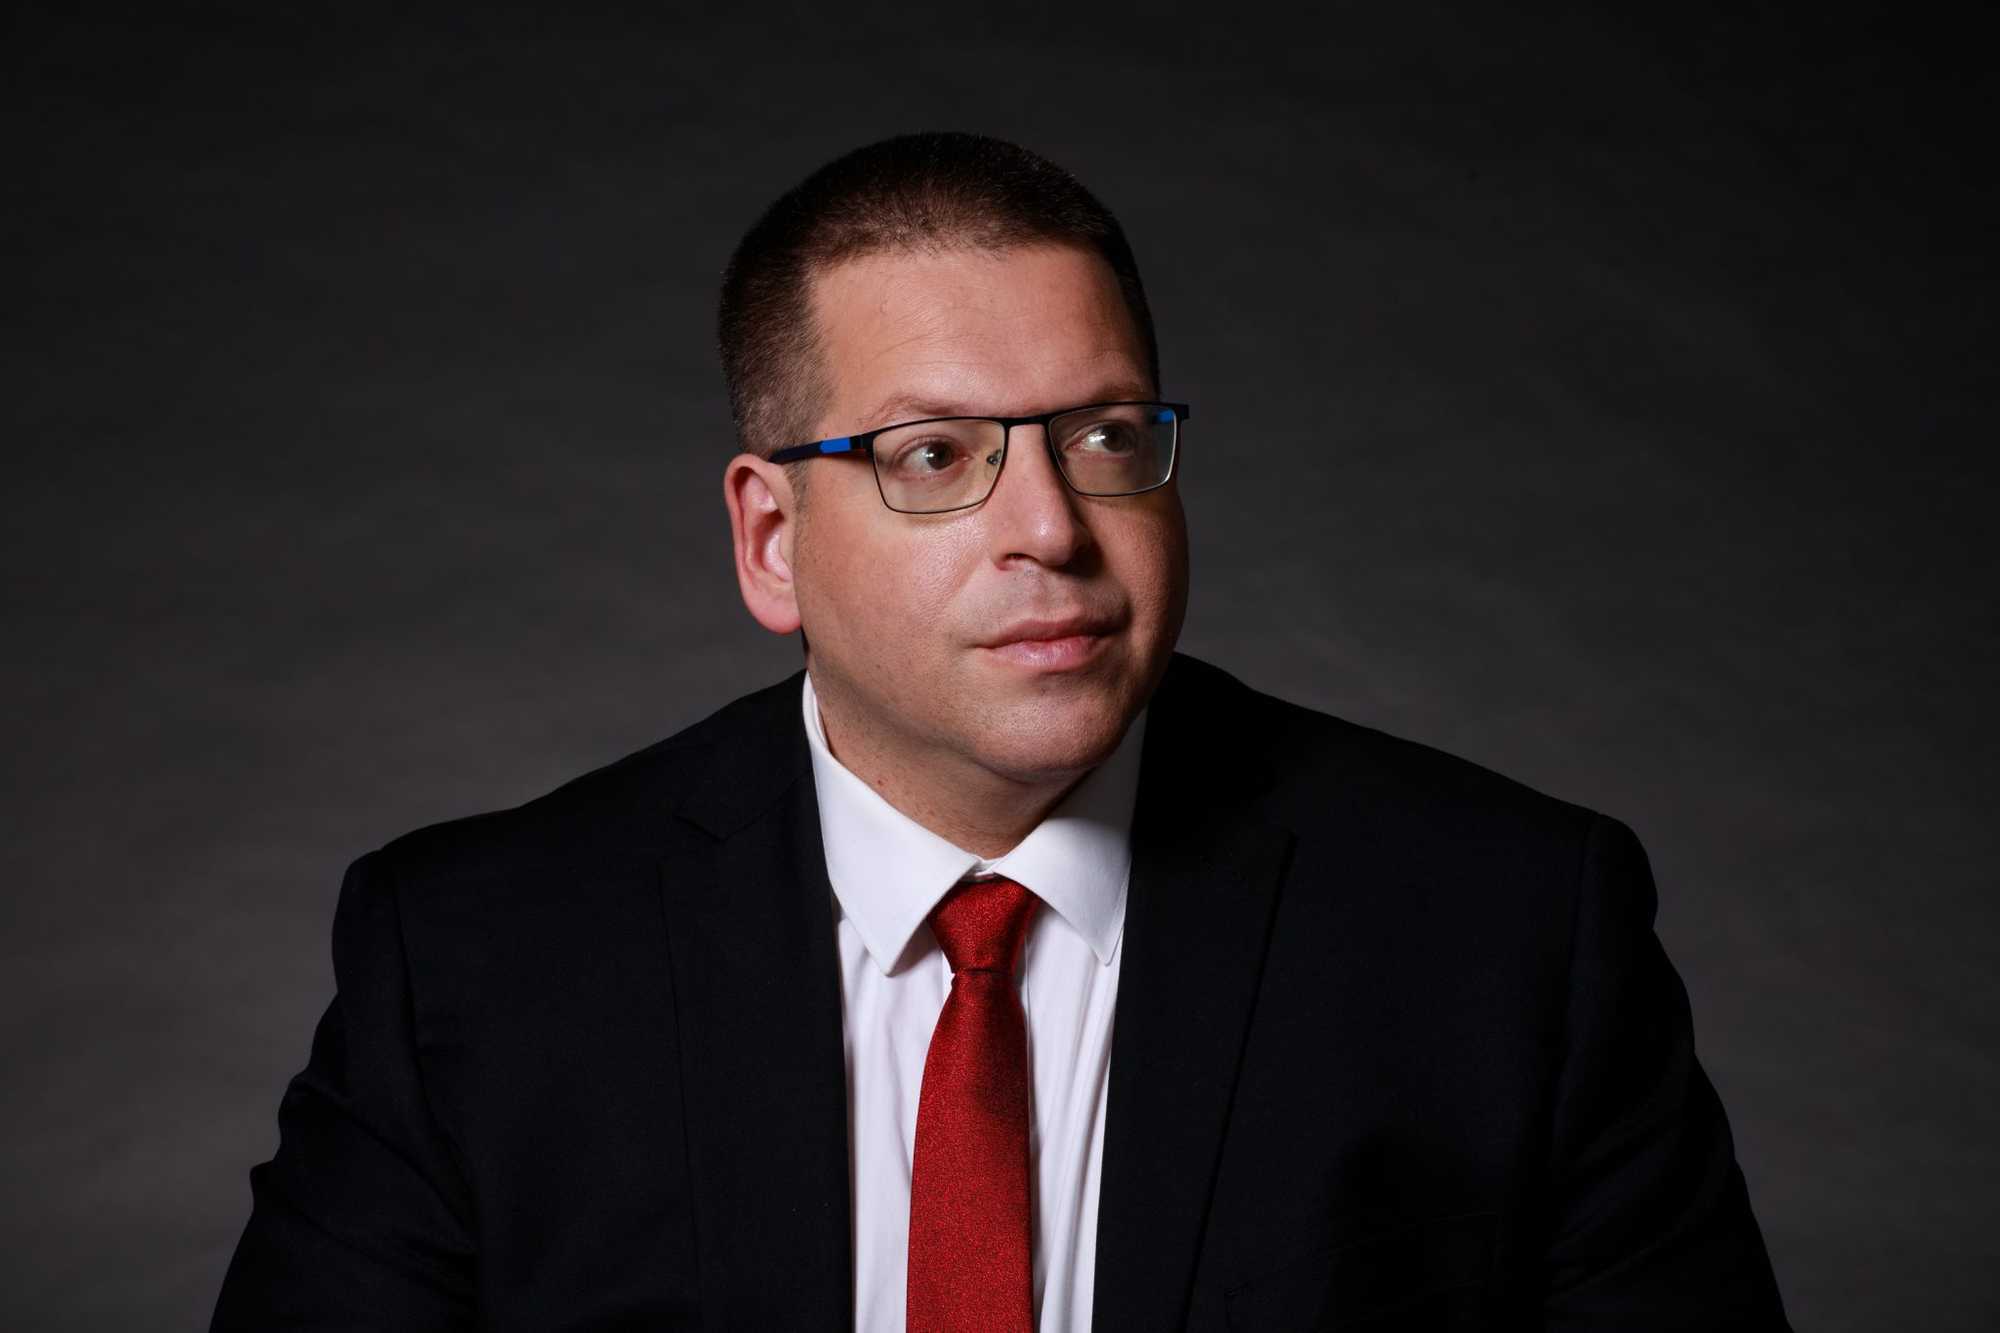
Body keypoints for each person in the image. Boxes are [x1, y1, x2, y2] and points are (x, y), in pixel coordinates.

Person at [211, 132, 1790, 1331]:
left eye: (1104, 435)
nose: (1051, 524)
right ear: (771, 541)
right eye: (934, 454)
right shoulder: (475, 960)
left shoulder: (1510, 930)